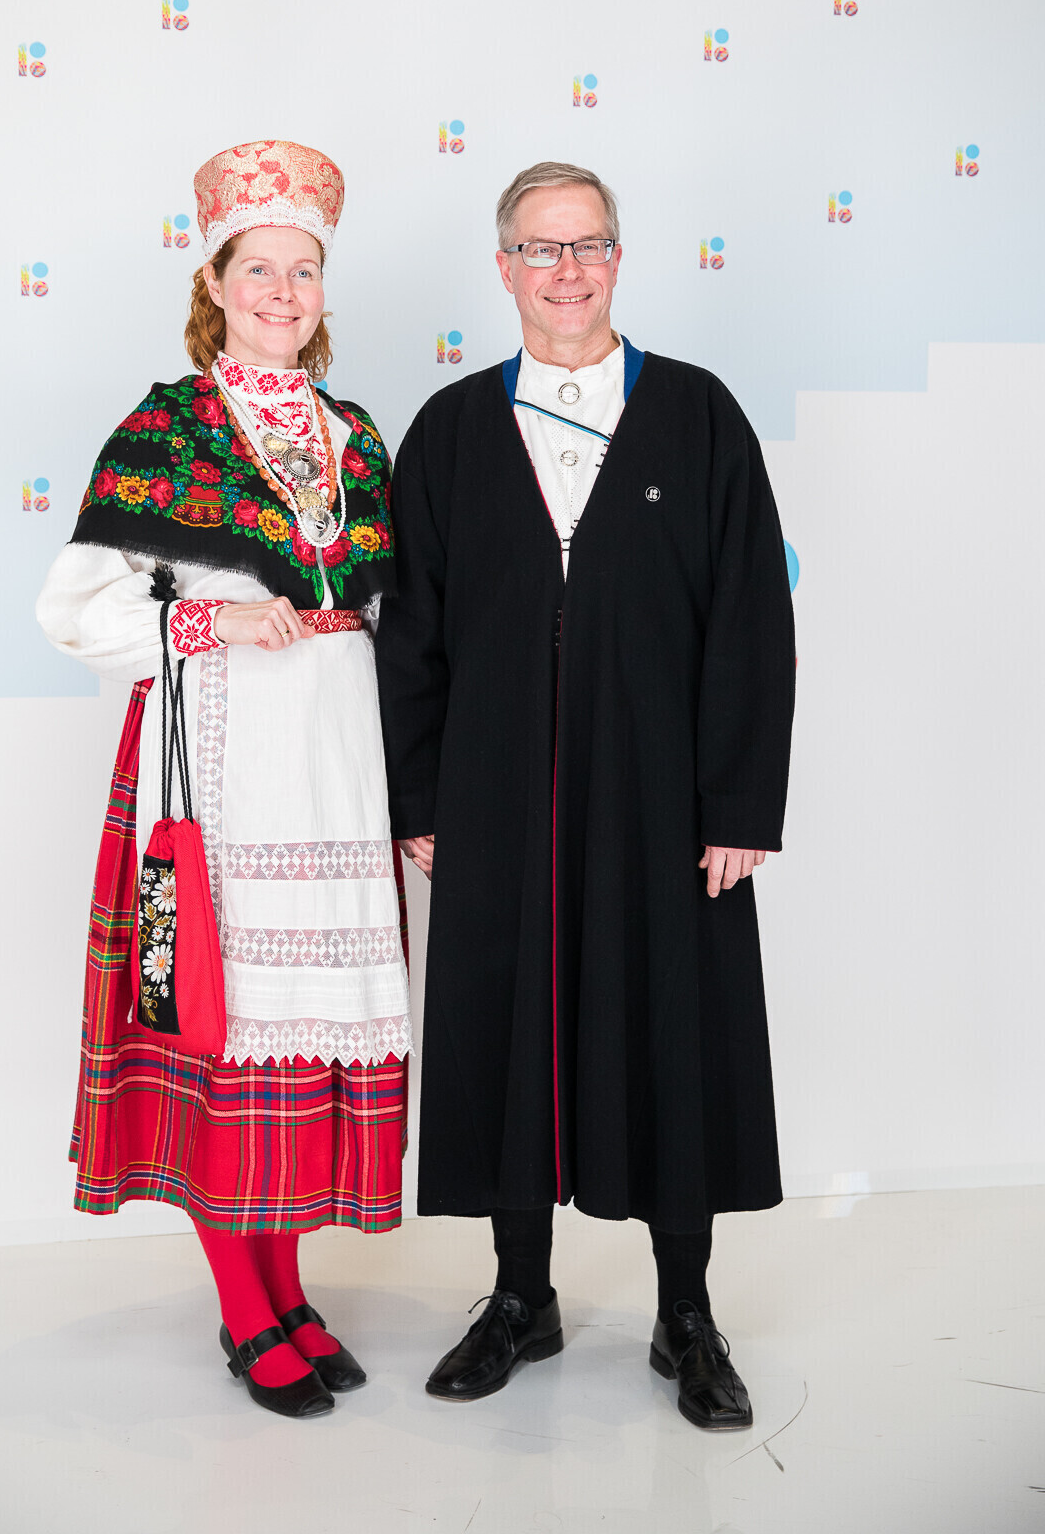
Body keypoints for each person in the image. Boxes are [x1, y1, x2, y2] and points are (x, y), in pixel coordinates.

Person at [375, 160, 795, 1430]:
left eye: (590, 245)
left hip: (667, 802)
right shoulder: (451, 429)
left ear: (619, 258)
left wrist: (739, 807)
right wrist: (421, 796)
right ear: (503, 267)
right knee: (509, 1035)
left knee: (676, 1033)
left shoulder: (699, 415)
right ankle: (521, 1298)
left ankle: (686, 1315)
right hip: (495, 796)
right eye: (542, 249)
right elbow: (413, 632)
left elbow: (752, 619)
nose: (568, 271)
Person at [38, 140, 411, 1420]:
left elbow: (396, 608)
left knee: (301, 1051)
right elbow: (73, 611)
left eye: (304, 270)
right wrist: (212, 622)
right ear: (215, 280)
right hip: (212, 774)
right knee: (220, 1026)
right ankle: (243, 1308)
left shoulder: (355, 434)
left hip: (336, 767)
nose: (283, 291)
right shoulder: (168, 427)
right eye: (260, 268)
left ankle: (288, 1288)